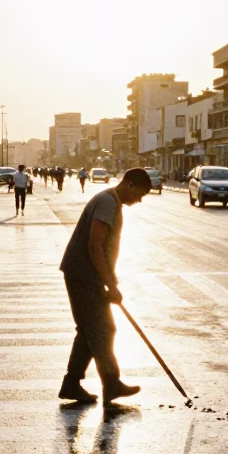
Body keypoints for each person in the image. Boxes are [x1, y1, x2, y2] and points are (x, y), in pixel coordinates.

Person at [59, 167, 151, 407]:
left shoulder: (110, 201)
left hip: (86, 275)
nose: (139, 201)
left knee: (90, 330)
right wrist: (110, 285)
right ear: (129, 184)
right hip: (84, 276)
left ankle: (71, 383)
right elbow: (94, 246)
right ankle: (111, 383)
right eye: (140, 194)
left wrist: (111, 280)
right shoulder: (108, 203)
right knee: (102, 329)